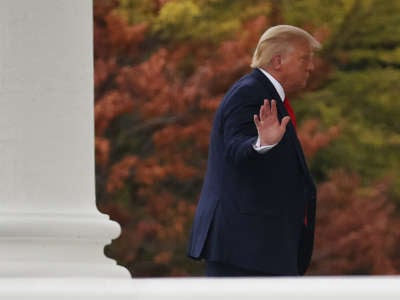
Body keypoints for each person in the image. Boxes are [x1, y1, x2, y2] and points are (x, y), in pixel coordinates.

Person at [187, 25, 321, 276]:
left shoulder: (264, 93)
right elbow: (236, 148)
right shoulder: (249, 93)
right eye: (305, 58)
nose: (311, 67)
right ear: (278, 60)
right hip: (245, 250)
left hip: (259, 248)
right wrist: (261, 144)